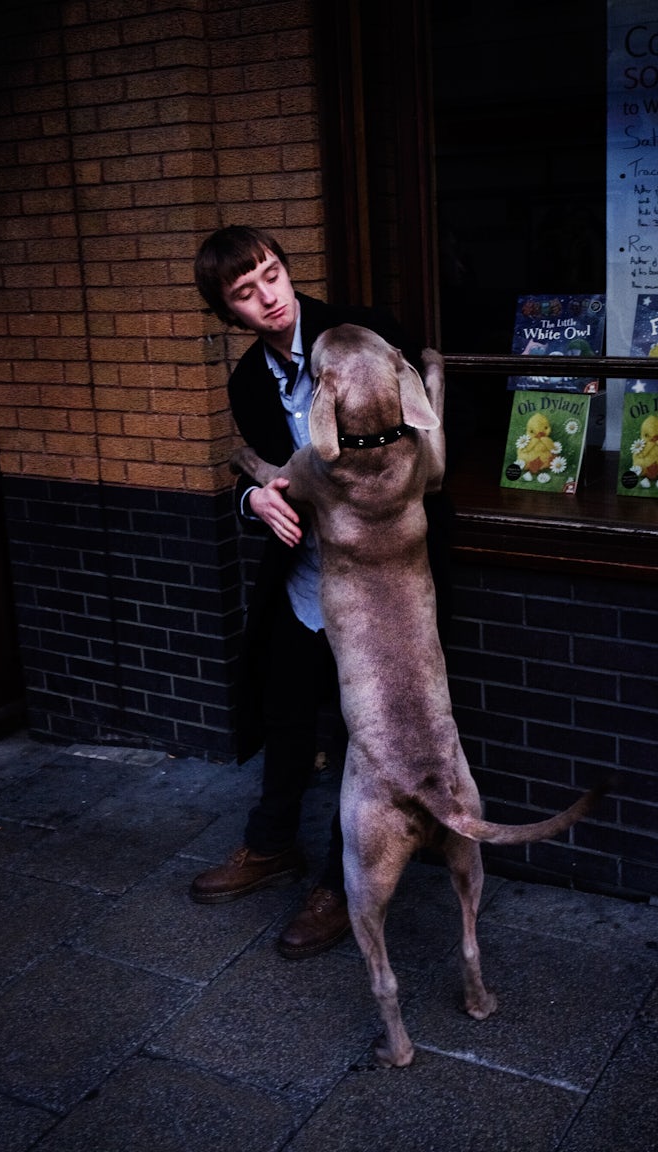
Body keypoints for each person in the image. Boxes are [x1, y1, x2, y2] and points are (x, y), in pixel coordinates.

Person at [190, 225, 452, 958]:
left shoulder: (365, 335)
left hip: (385, 574)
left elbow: (419, 460)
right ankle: (271, 844)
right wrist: (257, 501)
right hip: (310, 570)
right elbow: (273, 473)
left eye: (270, 274)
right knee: (282, 707)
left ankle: (343, 883)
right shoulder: (246, 382)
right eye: (244, 292)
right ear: (227, 310)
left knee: (359, 730)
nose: (267, 297)